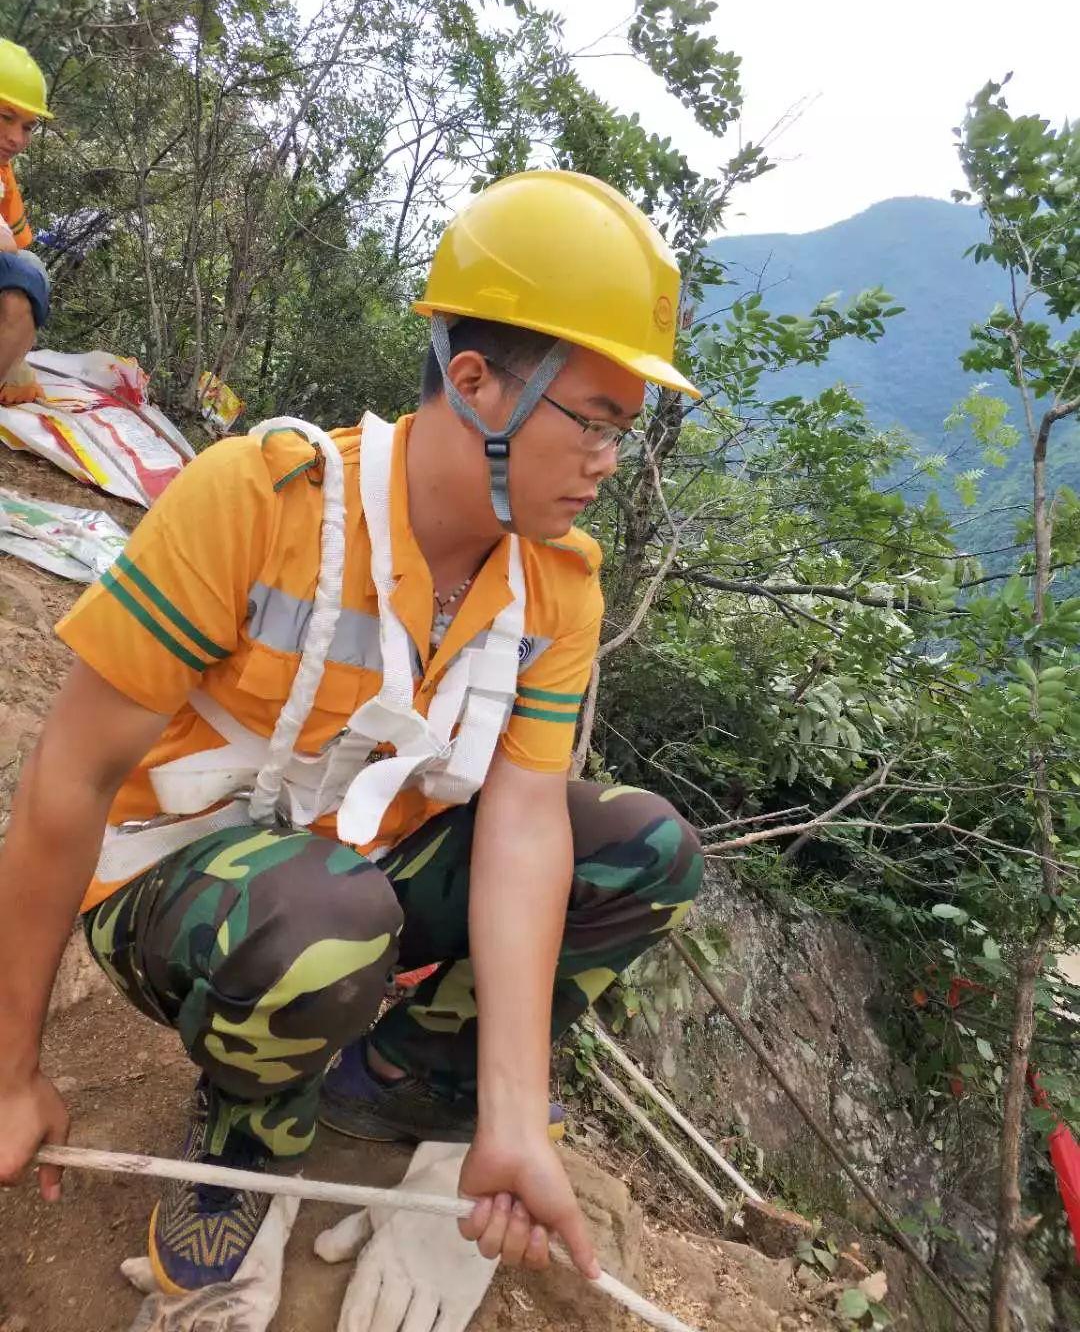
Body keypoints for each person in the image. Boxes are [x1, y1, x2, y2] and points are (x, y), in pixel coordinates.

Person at [0, 169, 704, 1296]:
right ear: (475, 384)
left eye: (628, 429)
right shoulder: (261, 501)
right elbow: (68, 780)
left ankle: (395, 1082)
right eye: (596, 421)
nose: (610, 461)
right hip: (190, 880)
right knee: (325, 916)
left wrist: (513, 1113)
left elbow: (524, 826)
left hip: (366, 871)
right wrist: (10, 1070)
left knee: (645, 850)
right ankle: (246, 1136)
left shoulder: (556, 585)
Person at [0, 38, 52, 406]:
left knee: (29, 273)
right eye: (5, 117)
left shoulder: (3, 173)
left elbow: (16, 250)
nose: (16, 139)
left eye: (28, 126)